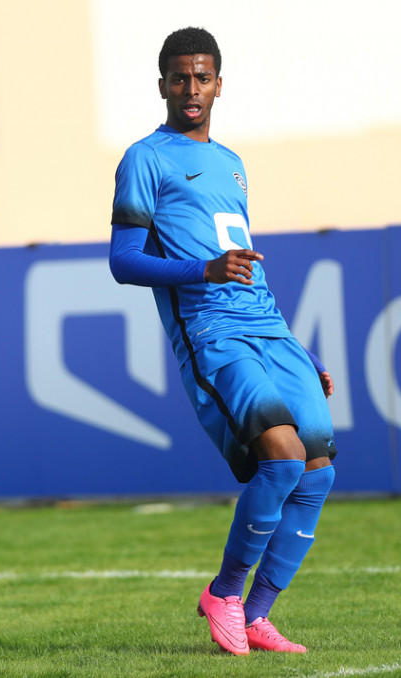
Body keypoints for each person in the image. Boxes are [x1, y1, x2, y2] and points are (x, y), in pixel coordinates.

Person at [108, 27, 337, 655]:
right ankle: (225, 593)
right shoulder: (143, 158)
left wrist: (302, 351)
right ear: (162, 84)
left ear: (218, 85)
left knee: (317, 474)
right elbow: (124, 261)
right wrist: (202, 270)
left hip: (268, 331)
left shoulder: (232, 162)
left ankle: (258, 614)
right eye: (179, 77)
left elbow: (249, 268)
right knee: (283, 458)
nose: (191, 89)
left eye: (202, 77)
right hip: (212, 331)